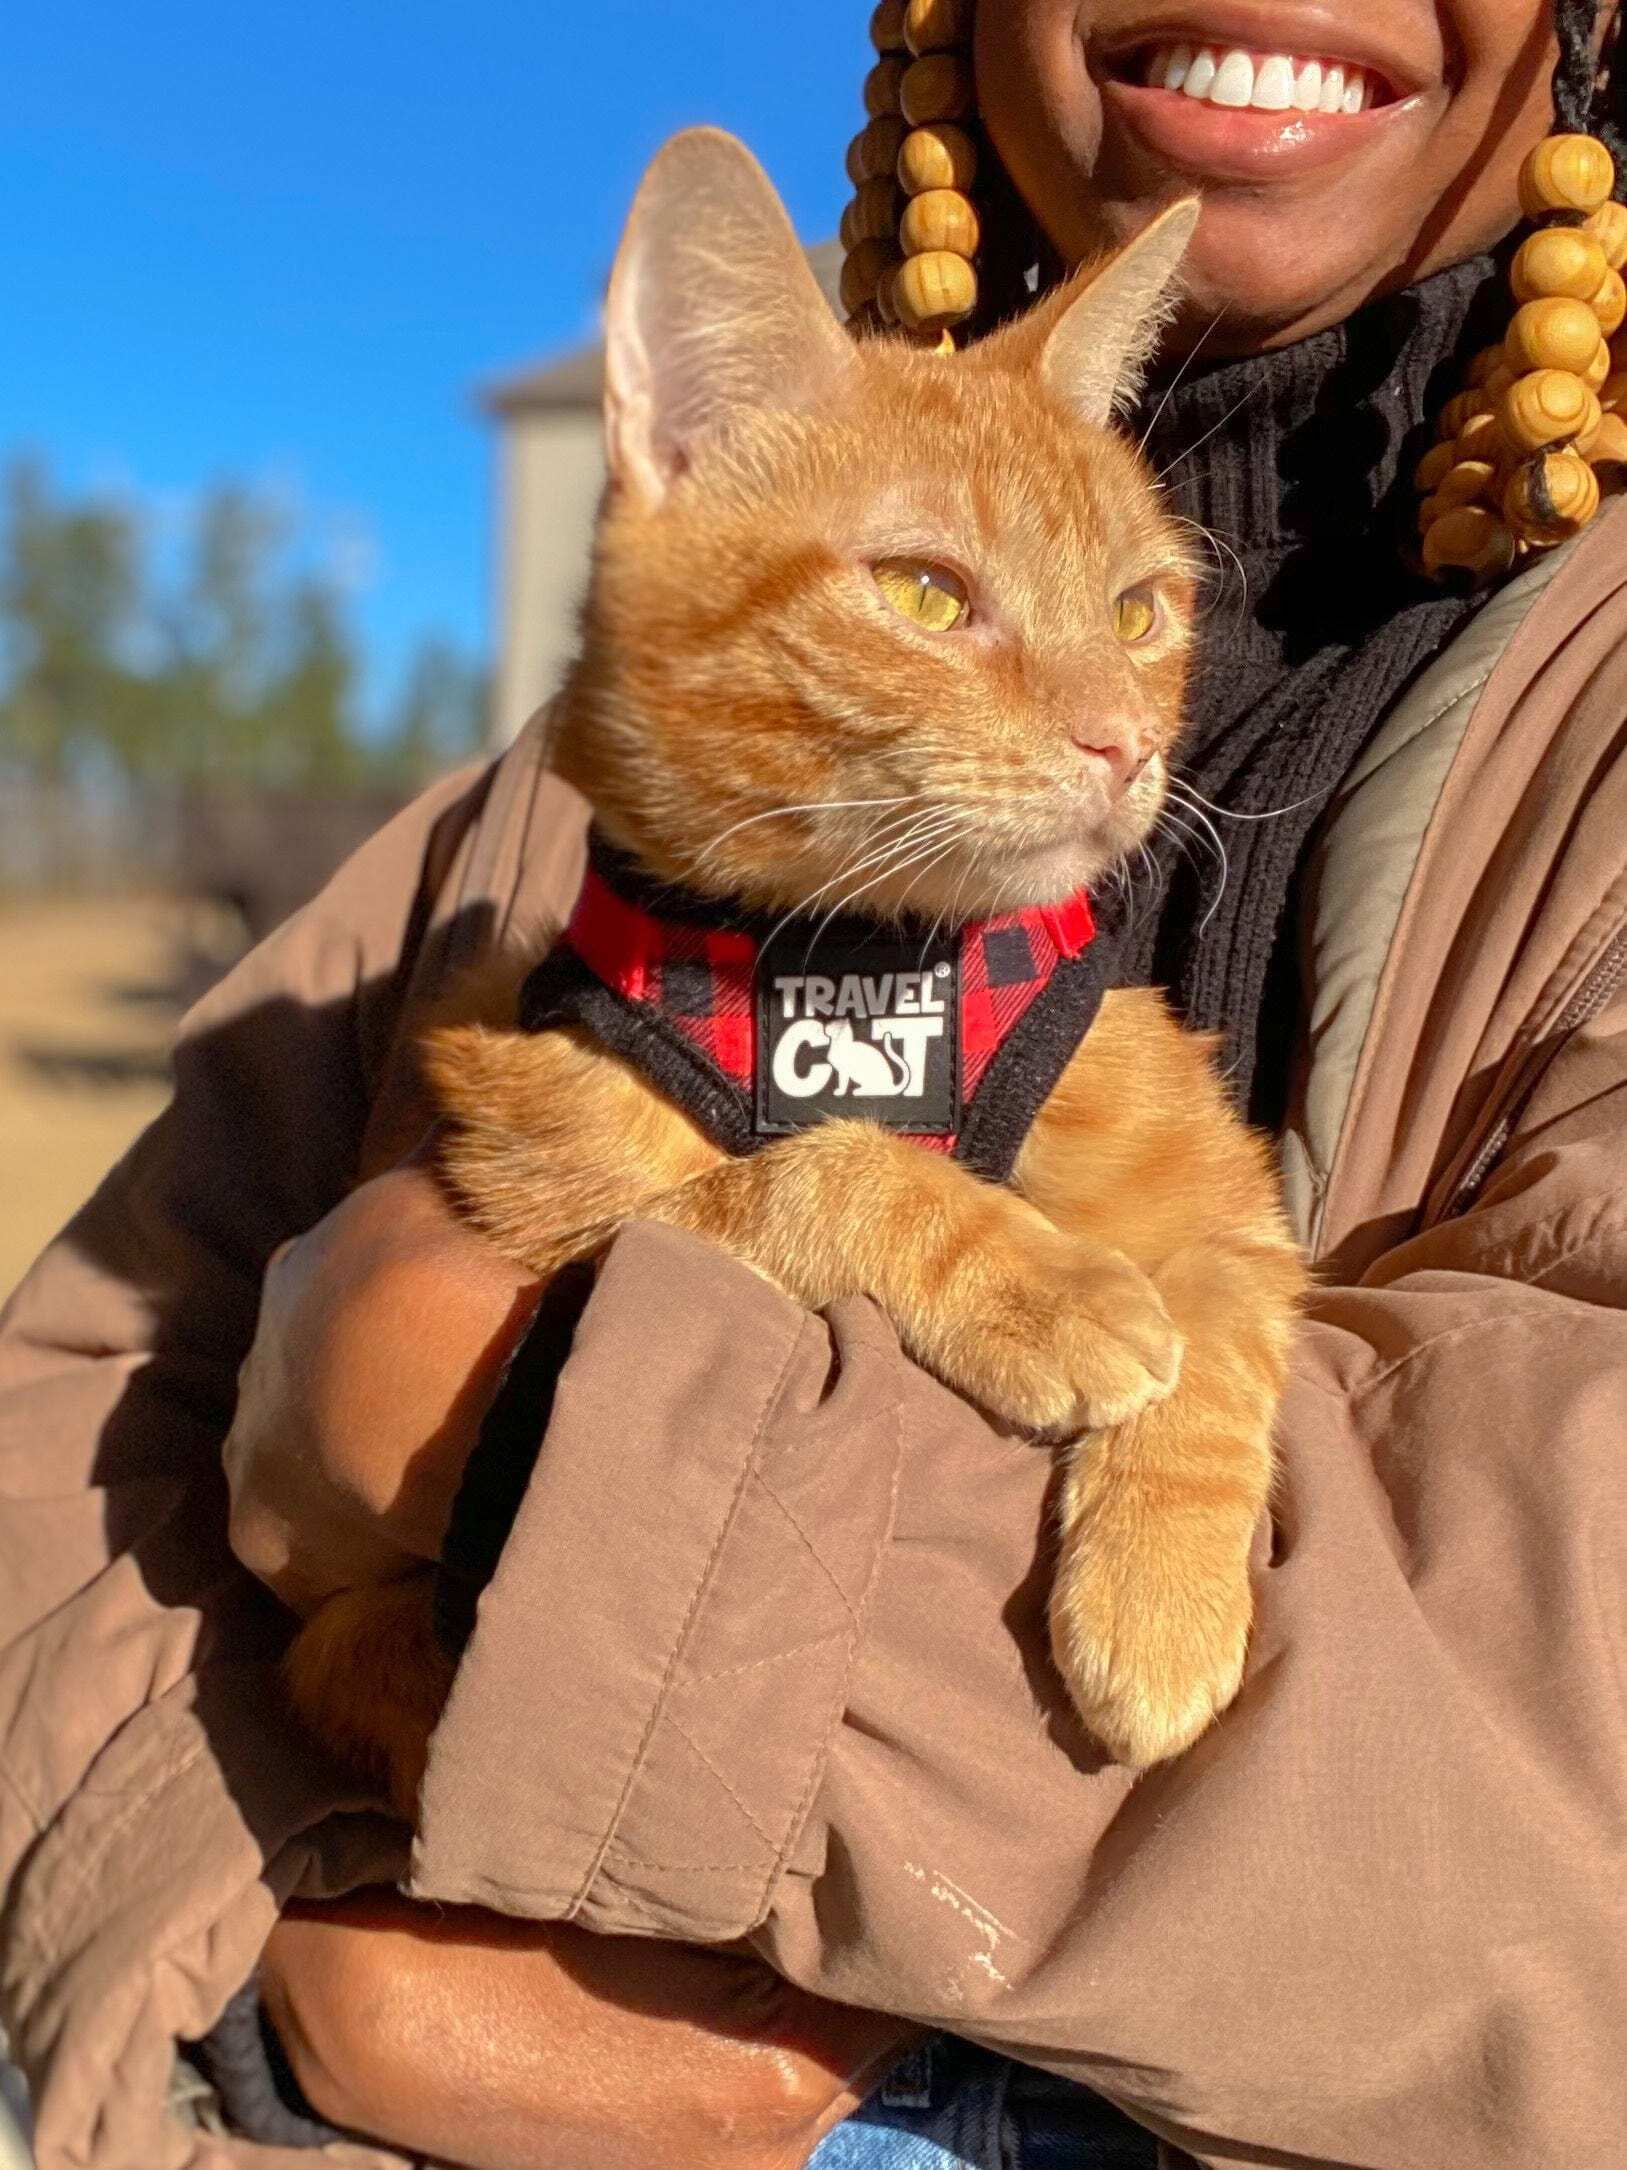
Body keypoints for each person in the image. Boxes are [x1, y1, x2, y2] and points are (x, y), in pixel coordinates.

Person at [3, 2, 1626, 2165]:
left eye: (1141, 608)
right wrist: (261, 1974)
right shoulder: (532, 845)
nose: (1102, 724)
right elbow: (59, 1440)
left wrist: (468, 1417)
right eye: (941, 595)